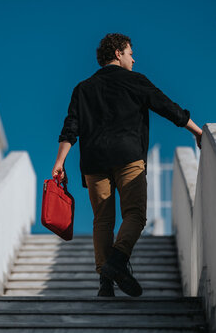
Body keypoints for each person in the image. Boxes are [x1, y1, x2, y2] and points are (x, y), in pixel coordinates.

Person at [52, 33, 202, 297]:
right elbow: (168, 108)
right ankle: (118, 261)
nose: (134, 58)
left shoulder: (82, 88)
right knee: (135, 214)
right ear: (118, 53)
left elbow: (70, 128)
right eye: (131, 52)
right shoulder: (136, 81)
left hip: (94, 162)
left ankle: (105, 284)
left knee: (102, 220)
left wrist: (60, 161)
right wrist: (197, 132)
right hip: (128, 157)